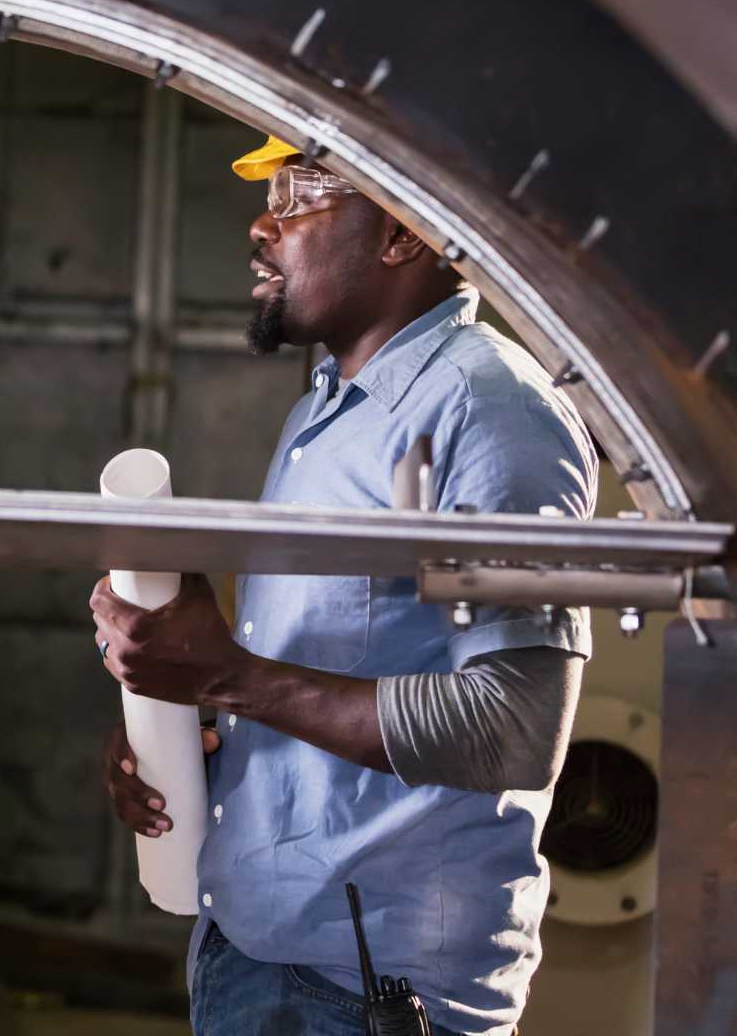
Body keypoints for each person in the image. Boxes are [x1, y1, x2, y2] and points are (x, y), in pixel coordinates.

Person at [89, 136, 595, 1035]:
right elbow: (332, 674)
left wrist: (226, 677)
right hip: (258, 954)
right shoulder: (327, 412)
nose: (262, 225)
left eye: (298, 196)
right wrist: (186, 739)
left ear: (402, 233)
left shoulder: (488, 411)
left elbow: (515, 727)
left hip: (369, 998)